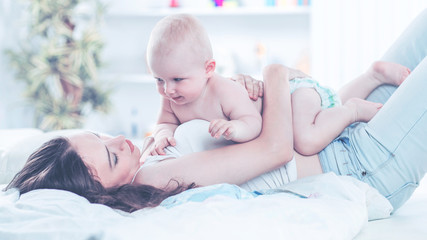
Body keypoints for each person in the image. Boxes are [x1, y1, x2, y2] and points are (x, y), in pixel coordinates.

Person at [6, 9, 427, 213]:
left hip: (342, 139)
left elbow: (191, 108)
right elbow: (276, 150)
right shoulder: (152, 177)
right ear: (102, 193)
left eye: (100, 136)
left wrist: (235, 92)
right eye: (111, 155)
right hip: (362, 163)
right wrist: (275, 76)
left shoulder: (149, 152)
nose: (119, 140)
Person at [146, 14, 262, 155]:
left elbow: (254, 122)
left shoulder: (225, 90)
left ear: (208, 69)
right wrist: (163, 135)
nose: (168, 89)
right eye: (159, 80)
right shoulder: (171, 97)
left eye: (177, 79)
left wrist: (234, 128)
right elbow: (165, 123)